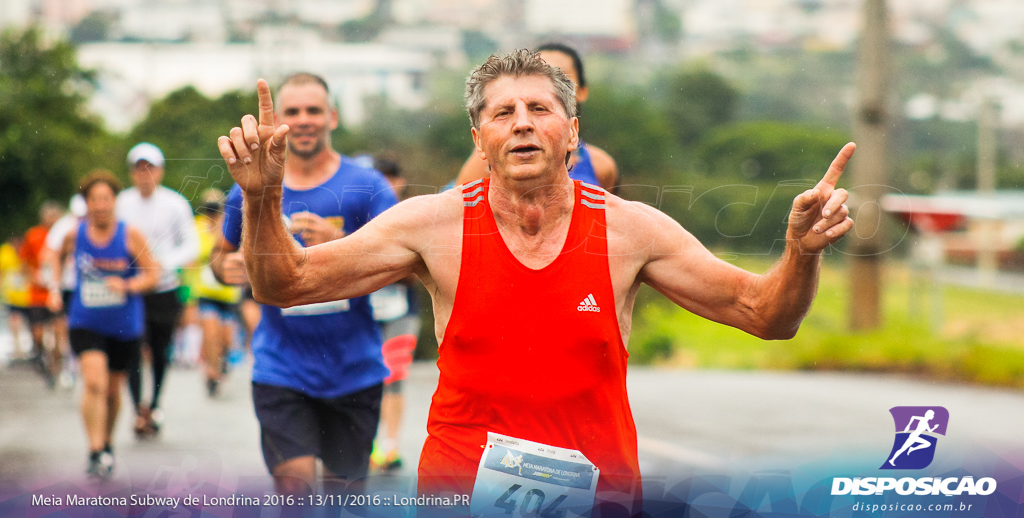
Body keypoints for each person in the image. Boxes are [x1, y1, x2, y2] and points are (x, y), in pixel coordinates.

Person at [218, 51, 855, 511]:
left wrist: (799, 253)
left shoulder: (631, 232)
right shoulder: (431, 227)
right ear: (480, 137)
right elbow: (285, 285)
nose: (522, 122)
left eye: (540, 109)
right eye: (503, 113)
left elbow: (766, 314)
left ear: (571, 132)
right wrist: (263, 196)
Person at [211, 72, 398, 495]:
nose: (304, 120)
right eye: (292, 111)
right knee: (294, 490)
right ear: (277, 120)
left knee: (343, 497)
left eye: (314, 110)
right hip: (282, 369)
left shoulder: (367, 186)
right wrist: (229, 268)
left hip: (354, 371)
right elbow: (218, 258)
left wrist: (340, 243)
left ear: (332, 116)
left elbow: (402, 263)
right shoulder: (250, 190)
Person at [52, 170, 160, 479]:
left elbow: (154, 274)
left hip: (124, 323)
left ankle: (108, 442)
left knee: (113, 391)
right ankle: (95, 448)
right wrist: (54, 288)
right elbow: (54, 255)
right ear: (86, 203)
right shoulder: (75, 233)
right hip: (85, 320)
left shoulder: (130, 234)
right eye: (93, 199)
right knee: (94, 382)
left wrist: (127, 286)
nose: (100, 205)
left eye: (105, 199)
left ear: (115, 201)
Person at [115, 142, 199, 437]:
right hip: (132, 289)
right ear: (131, 173)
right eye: (139, 168)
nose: (144, 174)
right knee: (133, 350)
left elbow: (191, 244)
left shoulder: (175, 204)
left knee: (161, 351)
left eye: (150, 167)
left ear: (161, 170)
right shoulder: (121, 203)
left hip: (164, 288)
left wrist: (162, 263)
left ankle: (156, 402)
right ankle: (139, 408)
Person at [455, 42, 617, 190]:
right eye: (541, 74)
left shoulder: (601, 167)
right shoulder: (490, 160)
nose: (551, 84)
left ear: (582, 91)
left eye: (562, 76)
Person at [367, 156, 422, 473]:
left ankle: (390, 445)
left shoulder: (412, 214)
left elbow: (413, 272)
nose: (386, 185)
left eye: (391, 178)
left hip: (402, 309)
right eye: (379, 178)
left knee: (394, 377)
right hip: (364, 311)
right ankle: (369, 442)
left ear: (400, 182)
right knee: (367, 377)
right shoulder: (361, 213)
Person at [190, 189, 242, 397]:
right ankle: (211, 372)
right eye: (208, 208)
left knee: (227, 340)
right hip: (206, 291)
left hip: (228, 292)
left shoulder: (230, 224)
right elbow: (195, 254)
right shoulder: (197, 226)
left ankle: (221, 363)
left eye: (216, 208)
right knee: (210, 333)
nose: (212, 213)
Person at [43, 194, 88, 388]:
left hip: (87, 287)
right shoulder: (63, 227)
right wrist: (54, 289)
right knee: (64, 329)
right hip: (68, 285)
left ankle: (77, 365)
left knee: (82, 328)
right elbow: (50, 256)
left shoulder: (100, 226)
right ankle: (67, 366)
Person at [19, 200, 65, 386]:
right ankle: (39, 355)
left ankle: (56, 368)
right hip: (38, 293)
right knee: (38, 334)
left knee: (58, 333)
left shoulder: (64, 235)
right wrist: (33, 275)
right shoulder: (34, 235)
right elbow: (24, 261)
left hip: (56, 292)